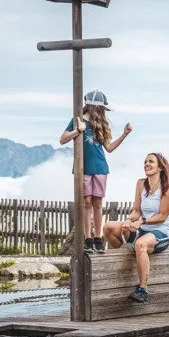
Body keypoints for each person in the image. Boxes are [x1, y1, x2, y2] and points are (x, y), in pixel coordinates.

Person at [102, 152, 169, 302]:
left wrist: (142, 222)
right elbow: (136, 211)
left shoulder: (167, 187)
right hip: (142, 229)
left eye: (151, 162)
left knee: (140, 244)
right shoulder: (140, 184)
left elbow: (162, 216)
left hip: (161, 232)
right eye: (145, 162)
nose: (146, 164)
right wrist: (128, 221)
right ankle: (124, 254)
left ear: (159, 168)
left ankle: (143, 289)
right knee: (109, 227)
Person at [59, 90, 132, 251]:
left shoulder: (102, 125)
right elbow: (62, 139)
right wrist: (78, 130)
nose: (103, 112)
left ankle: (98, 238)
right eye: (101, 108)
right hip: (83, 168)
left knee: (97, 203)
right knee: (86, 202)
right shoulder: (78, 121)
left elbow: (109, 148)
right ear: (94, 107)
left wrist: (124, 135)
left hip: (100, 167)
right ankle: (88, 238)